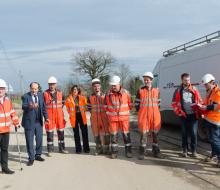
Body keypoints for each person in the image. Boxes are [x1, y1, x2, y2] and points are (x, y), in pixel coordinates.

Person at [172, 73, 202, 157]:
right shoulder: (178, 90)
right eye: (185, 80)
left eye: (188, 80)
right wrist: (178, 112)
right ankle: (184, 151)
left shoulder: (194, 89)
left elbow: (200, 100)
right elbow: (173, 103)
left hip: (193, 115)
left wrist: (200, 109)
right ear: (182, 80)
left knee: (193, 133)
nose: (187, 82)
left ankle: (194, 151)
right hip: (183, 115)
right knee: (184, 133)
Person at [135, 72, 162, 159]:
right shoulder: (140, 90)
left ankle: (156, 152)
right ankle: (142, 152)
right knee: (143, 135)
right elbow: (137, 104)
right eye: (145, 80)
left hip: (155, 117)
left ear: (151, 80)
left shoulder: (157, 90)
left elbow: (159, 104)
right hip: (144, 117)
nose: (146, 81)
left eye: (147, 80)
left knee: (155, 135)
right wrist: (140, 112)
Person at [105, 75, 132, 159]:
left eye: (114, 85)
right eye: (112, 85)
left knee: (126, 135)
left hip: (124, 119)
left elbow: (130, 105)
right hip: (113, 119)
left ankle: (128, 151)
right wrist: (110, 113)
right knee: (113, 136)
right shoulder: (108, 94)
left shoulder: (126, 93)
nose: (113, 87)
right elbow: (105, 106)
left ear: (119, 84)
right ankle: (114, 152)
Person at [22, 82, 49, 166]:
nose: (34, 90)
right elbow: (24, 106)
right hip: (29, 123)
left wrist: (46, 117)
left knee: (39, 139)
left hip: (38, 122)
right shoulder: (26, 96)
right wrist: (30, 106)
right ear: (30, 88)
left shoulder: (41, 95)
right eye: (32, 89)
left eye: (35, 89)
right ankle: (31, 158)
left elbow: (44, 107)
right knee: (30, 141)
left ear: (38, 89)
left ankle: (38, 155)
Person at [197, 74, 220, 167]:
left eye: (206, 84)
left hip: (215, 121)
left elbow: (216, 106)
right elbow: (207, 103)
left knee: (215, 140)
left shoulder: (217, 92)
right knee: (211, 139)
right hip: (208, 119)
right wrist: (201, 105)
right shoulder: (209, 92)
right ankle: (214, 155)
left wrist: (205, 107)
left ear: (212, 82)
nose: (205, 86)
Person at [44, 76, 68, 157]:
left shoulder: (60, 93)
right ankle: (50, 150)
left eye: (53, 84)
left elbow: (63, 103)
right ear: (48, 84)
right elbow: (43, 106)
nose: (51, 86)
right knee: (49, 133)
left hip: (59, 116)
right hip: (50, 116)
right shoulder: (45, 94)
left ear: (56, 84)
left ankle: (62, 149)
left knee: (61, 132)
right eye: (50, 84)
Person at [0, 79, 20, 174]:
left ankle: (5, 168)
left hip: (6, 131)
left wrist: (16, 122)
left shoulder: (8, 101)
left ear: (5, 90)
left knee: (4, 150)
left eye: (2, 88)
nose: (0, 90)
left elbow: (12, 113)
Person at [87, 78, 110, 155]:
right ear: (92, 87)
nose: (96, 88)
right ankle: (98, 149)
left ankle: (106, 149)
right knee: (96, 134)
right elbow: (89, 108)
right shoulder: (90, 97)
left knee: (106, 133)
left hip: (104, 118)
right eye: (95, 86)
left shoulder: (105, 96)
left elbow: (108, 106)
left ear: (100, 86)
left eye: (98, 86)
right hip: (94, 118)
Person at [65, 85, 90, 153]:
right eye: (73, 89)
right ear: (72, 91)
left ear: (78, 90)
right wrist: (70, 113)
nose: (75, 90)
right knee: (76, 134)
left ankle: (86, 148)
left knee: (84, 133)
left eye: (76, 89)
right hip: (74, 117)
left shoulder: (82, 98)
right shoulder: (68, 99)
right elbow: (67, 108)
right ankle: (78, 149)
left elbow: (86, 106)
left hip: (82, 116)